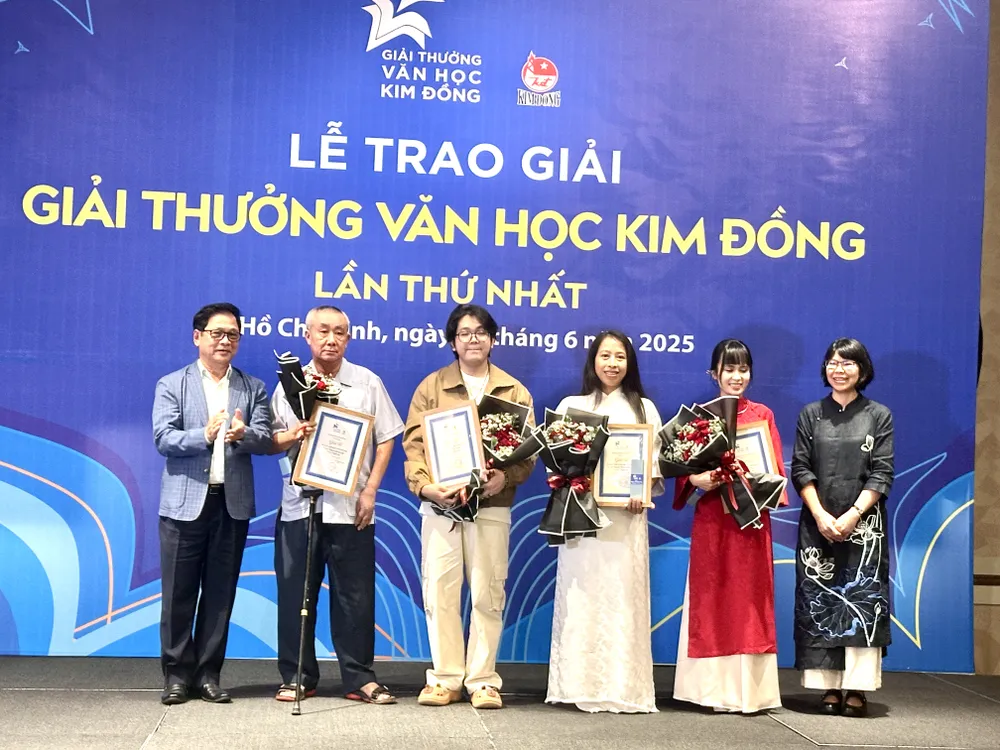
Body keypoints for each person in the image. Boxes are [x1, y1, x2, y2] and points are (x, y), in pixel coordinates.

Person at [403, 304, 536, 709]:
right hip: (441, 507)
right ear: (452, 342)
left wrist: (504, 478)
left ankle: (482, 680)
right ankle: (444, 679)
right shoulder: (432, 386)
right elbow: (414, 446)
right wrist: (426, 488)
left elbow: (528, 454)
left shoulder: (514, 391)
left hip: (492, 506)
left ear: (492, 340)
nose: (473, 339)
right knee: (440, 592)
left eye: (480, 332)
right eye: (464, 333)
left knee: (486, 594)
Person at [270, 306, 404, 705]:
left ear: (348, 338)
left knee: (355, 597)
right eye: (323, 331)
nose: (331, 339)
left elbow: (387, 437)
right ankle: (297, 675)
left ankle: (359, 676)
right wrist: (295, 435)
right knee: (295, 595)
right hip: (300, 506)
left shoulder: (366, 382)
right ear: (307, 336)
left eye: (339, 332)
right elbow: (272, 439)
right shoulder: (289, 385)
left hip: (352, 506)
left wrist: (371, 489)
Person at [152, 302, 272, 705]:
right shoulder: (173, 384)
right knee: (178, 594)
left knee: (220, 595)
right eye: (217, 333)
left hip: (230, 505)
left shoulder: (252, 387)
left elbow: (266, 438)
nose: (225, 341)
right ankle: (176, 676)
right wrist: (203, 435)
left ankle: (208, 674)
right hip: (184, 504)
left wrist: (243, 434)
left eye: (232, 335)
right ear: (197, 336)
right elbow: (163, 438)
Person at [545, 330, 663, 713]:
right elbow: (557, 465)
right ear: (592, 360)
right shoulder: (571, 406)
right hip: (582, 521)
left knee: (623, 598)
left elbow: (652, 465)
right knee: (582, 595)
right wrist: (572, 477)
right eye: (605, 355)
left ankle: (624, 689)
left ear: (630, 363)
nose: (612, 364)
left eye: (620, 357)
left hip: (626, 520)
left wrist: (642, 489)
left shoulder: (644, 409)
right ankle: (576, 685)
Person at [672, 339, 785, 714]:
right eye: (729, 369)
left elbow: (776, 472)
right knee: (711, 595)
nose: (737, 377)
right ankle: (708, 692)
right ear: (714, 373)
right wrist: (698, 479)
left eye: (743, 369)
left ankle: (750, 694)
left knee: (750, 600)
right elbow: (683, 473)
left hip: (751, 521)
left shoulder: (763, 415)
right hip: (712, 522)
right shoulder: (699, 417)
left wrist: (754, 479)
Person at [792, 338, 894, 718]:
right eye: (833, 362)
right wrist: (820, 515)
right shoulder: (810, 414)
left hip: (865, 525)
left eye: (848, 363)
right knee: (821, 601)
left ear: (862, 370)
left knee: (862, 600)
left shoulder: (879, 415)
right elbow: (800, 468)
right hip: (817, 522)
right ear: (825, 368)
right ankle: (828, 687)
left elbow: (882, 471)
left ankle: (857, 688)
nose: (840, 369)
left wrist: (853, 514)